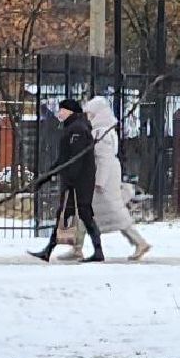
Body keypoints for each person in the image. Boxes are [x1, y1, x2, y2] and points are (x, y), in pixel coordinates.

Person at [29, 98, 104, 263]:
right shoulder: (72, 128)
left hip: (79, 181)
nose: (59, 113)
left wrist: (70, 181)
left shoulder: (78, 130)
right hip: (74, 180)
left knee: (83, 213)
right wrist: (45, 177)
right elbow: (63, 159)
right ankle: (49, 250)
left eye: (62, 109)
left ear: (70, 111)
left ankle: (98, 251)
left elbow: (76, 160)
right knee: (65, 213)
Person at [82, 96, 151, 261]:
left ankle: (139, 242)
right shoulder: (106, 130)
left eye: (91, 113)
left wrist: (99, 181)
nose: (88, 116)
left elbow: (103, 158)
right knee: (97, 211)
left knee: (112, 212)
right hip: (107, 174)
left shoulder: (100, 132)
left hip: (103, 176)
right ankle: (77, 246)